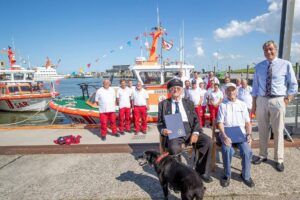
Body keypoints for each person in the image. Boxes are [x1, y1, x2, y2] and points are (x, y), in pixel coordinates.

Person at [251, 40, 298, 172]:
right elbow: (255, 88)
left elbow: (293, 85)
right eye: (266, 50)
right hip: (261, 100)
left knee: (278, 131)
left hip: (278, 100)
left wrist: (287, 99)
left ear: (275, 49)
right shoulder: (259, 67)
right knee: (262, 130)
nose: (268, 52)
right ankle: (262, 154)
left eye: (271, 49)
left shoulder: (285, 64)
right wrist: (254, 105)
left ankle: (279, 159)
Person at [157, 79, 213, 183]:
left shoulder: (189, 103)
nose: (176, 90)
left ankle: (202, 171)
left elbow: (196, 120)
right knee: (173, 148)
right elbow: (160, 123)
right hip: (174, 131)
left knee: (208, 141)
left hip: (190, 129)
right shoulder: (163, 104)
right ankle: (179, 175)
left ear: (182, 90)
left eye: (178, 88)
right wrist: (163, 130)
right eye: (173, 88)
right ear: (169, 91)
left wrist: (195, 133)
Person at [217, 83, 254, 187]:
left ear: (236, 92)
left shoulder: (242, 104)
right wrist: (224, 136)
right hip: (227, 132)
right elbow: (220, 123)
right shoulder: (222, 105)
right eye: (228, 91)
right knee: (227, 150)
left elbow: (247, 122)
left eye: (233, 91)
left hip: (240, 133)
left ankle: (246, 176)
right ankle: (227, 174)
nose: (231, 93)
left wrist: (249, 134)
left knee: (247, 151)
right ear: (226, 93)